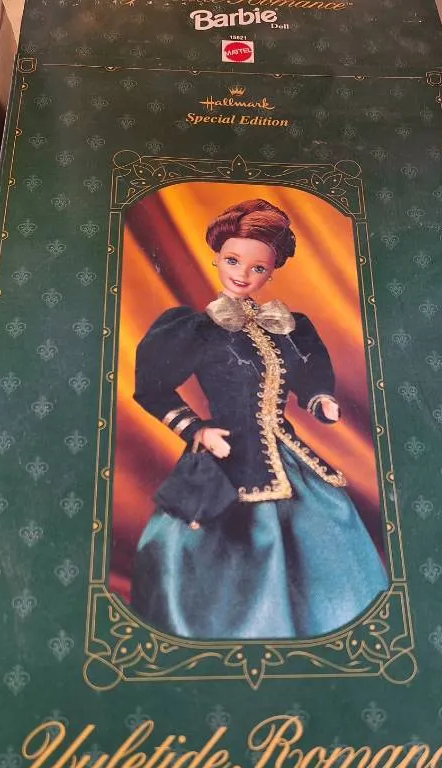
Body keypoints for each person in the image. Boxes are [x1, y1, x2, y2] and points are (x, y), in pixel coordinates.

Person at [129, 197, 387, 640]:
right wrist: (196, 429)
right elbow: (151, 386)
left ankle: (326, 621)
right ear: (216, 257)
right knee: (220, 545)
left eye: (258, 268)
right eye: (232, 260)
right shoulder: (195, 329)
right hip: (226, 455)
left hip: (287, 453)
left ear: (271, 272)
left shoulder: (286, 326)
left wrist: (320, 399)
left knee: (328, 522)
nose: (242, 274)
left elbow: (309, 371)